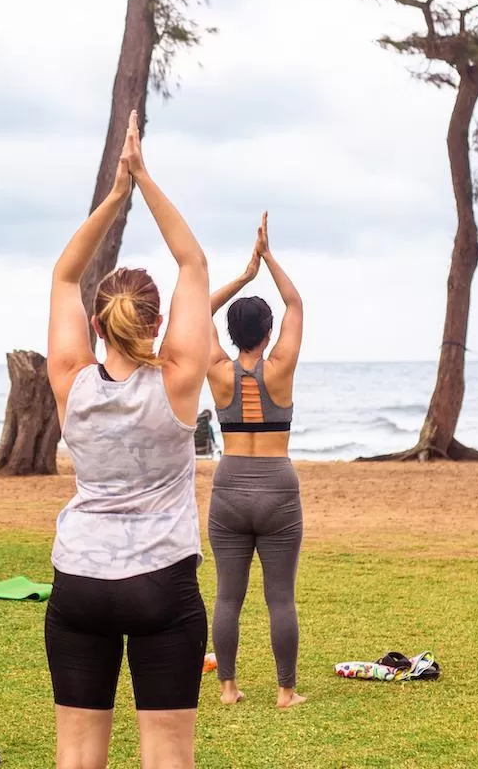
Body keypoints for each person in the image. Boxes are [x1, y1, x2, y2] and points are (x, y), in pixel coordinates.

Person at [44, 114, 211, 769]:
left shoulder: (71, 380)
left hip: (80, 578)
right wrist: (144, 180)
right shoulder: (177, 382)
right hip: (162, 582)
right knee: (167, 757)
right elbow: (193, 262)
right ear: (158, 323)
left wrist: (114, 194)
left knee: (78, 757)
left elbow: (63, 275)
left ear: (95, 323)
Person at [204, 212, 306, 709]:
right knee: (280, 598)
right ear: (268, 332)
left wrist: (243, 275)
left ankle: (227, 688)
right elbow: (295, 302)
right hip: (277, 485)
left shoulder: (219, 370)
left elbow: (197, 312)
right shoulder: (280, 367)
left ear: (232, 332)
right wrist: (267, 258)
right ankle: (285, 691)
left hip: (229, 485)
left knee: (227, 597)